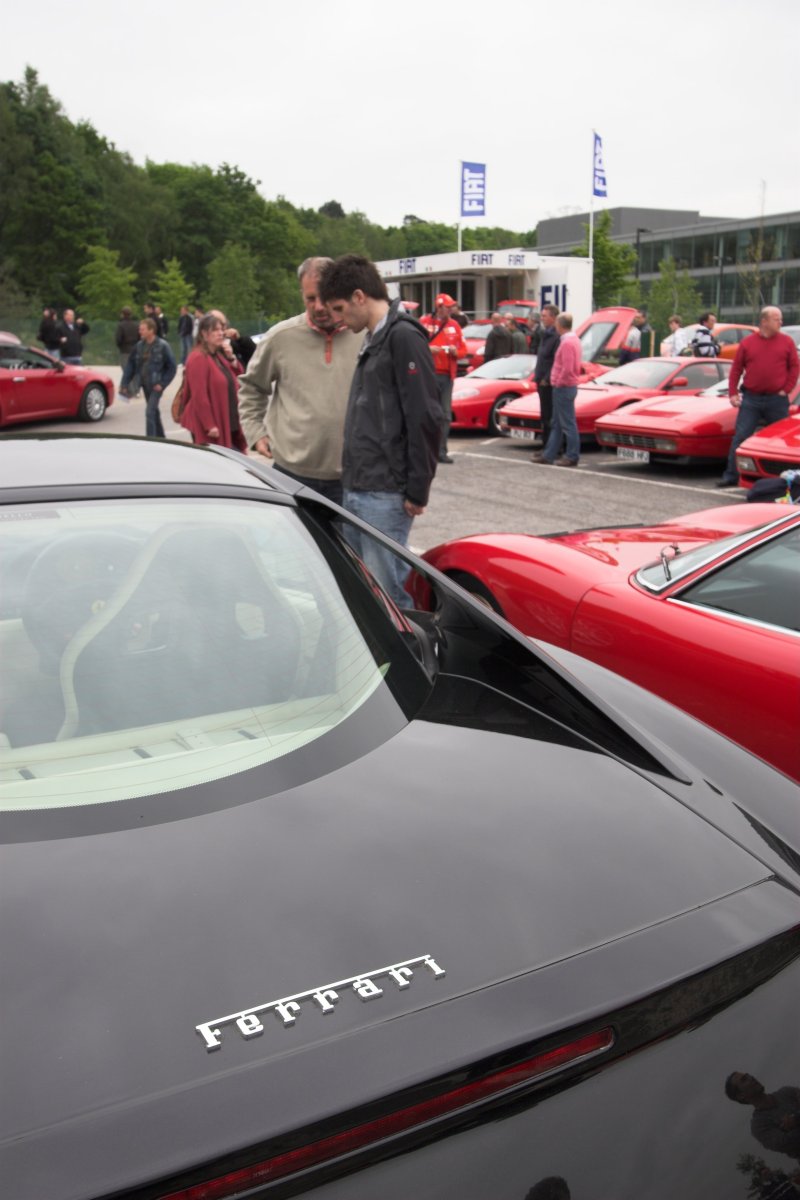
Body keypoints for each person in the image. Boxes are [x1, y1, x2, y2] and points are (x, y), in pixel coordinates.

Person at [318, 254, 441, 609]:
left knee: (389, 598)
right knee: (369, 595)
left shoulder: (403, 337)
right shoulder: (374, 338)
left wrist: (418, 489)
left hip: (384, 493)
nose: (338, 320)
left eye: (340, 309)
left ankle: (412, 660)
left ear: (359, 296)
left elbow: (425, 416)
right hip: (359, 486)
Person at [238, 257, 363, 505]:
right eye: (310, 298)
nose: (318, 306)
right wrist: (255, 433)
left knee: (344, 546)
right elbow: (251, 387)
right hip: (290, 475)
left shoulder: (364, 335)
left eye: (325, 297)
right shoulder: (280, 337)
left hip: (352, 478)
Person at [717, 305, 800, 487]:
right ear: (764, 321)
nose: (781, 322)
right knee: (741, 436)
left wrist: (786, 389)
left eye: (780, 319)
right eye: (777, 319)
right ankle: (731, 475)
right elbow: (736, 369)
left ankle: (784, 479)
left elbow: (795, 367)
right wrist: (733, 393)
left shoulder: (786, 342)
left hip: (776, 400)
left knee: (781, 440)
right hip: (751, 398)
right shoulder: (747, 343)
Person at [180, 313, 247, 450]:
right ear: (204, 334)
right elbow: (199, 395)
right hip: (213, 426)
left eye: (222, 329)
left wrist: (231, 358)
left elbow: (239, 379)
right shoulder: (198, 358)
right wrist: (209, 424)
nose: (221, 333)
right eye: (215, 330)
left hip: (229, 420)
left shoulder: (217, 355)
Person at [420, 293, 467, 463]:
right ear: (439, 307)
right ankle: (425, 450)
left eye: (451, 306)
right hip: (428, 375)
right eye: (448, 306)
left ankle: (441, 451)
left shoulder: (455, 325)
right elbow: (415, 345)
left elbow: (463, 349)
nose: (451, 309)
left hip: (447, 377)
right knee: (427, 413)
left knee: (445, 415)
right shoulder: (425, 323)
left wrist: (457, 352)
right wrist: (428, 349)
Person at [533, 313, 582, 467]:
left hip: (563, 387)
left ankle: (572, 455)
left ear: (559, 325)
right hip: (566, 386)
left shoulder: (567, 343)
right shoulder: (573, 340)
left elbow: (567, 368)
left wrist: (557, 382)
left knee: (567, 423)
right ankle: (549, 454)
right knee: (557, 423)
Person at [119, 317, 177, 438]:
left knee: (149, 412)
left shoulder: (163, 346)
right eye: (140, 329)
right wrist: (124, 384)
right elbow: (130, 365)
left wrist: (162, 384)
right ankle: (161, 438)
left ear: (151, 330)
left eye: (143, 329)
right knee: (154, 412)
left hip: (156, 386)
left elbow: (172, 367)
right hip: (144, 384)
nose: (140, 331)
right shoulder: (139, 346)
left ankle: (150, 441)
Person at [725, 1073, 800, 1161]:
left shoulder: (786, 1092)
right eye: (744, 1079)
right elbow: (789, 1144)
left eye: (748, 1075)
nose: (751, 1078)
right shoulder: (759, 1125)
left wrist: (796, 1119)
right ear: (741, 1096)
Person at [532, 303, 559, 451]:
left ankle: (551, 448)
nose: (542, 318)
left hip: (548, 383)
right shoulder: (545, 334)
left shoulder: (555, 336)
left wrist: (546, 378)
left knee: (549, 416)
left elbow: (555, 360)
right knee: (544, 415)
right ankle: (547, 446)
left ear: (553, 318)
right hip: (541, 380)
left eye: (544, 316)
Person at [115, 306, 140, 371]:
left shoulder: (121, 325)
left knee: (126, 370)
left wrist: (120, 347)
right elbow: (139, 337)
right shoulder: (136, 325)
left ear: (122, 314)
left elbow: (118, 339)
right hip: (135, 349)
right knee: (134, 370)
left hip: (125, 350)